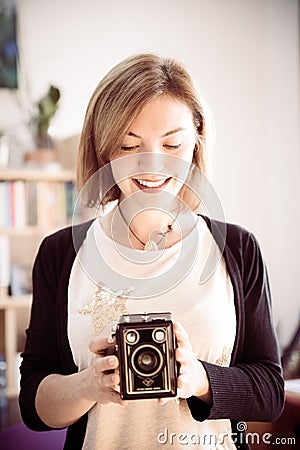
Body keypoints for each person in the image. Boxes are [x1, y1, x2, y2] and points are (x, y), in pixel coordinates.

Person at [19, 53, 284, 450]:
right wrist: (89, 384)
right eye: (129, 145)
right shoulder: (60, 255)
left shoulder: (237, 249)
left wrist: (198, 378)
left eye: (172, 144)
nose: (152, 164)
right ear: (104, 150)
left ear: (196, 141)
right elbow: (33, 406)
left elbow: (270, 392)